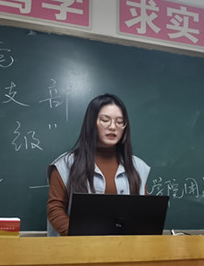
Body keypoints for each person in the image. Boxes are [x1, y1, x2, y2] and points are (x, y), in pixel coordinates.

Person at [46, 93, 150, 235]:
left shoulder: (138, 167)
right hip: (79, 246)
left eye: (120, 122)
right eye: (105, 120)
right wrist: (80, 237)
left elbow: (144, 212)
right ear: (91, 123)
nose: (113, 127)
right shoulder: (65, 165)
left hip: (126, 246)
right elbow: (55, 209)